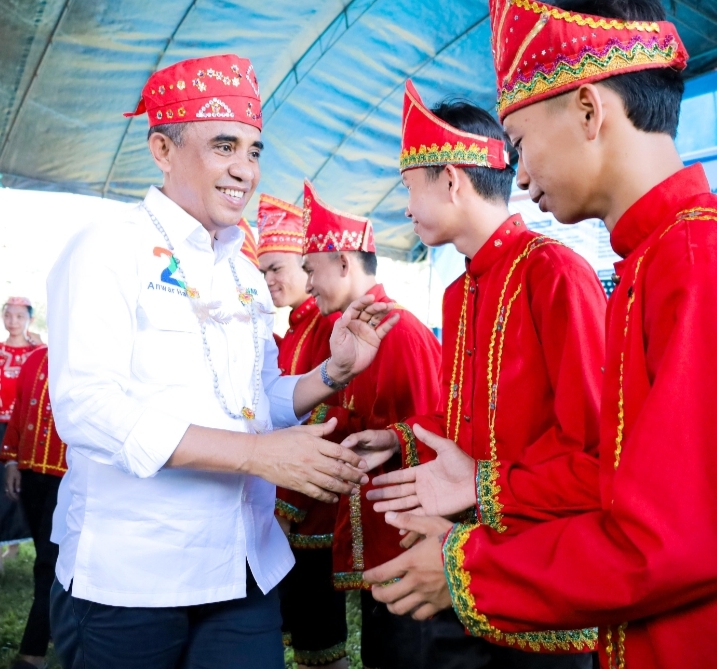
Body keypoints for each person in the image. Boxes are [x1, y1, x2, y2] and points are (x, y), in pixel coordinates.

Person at [363, 2, 717, 668]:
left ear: (588, 110)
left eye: (519, 143)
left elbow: (670, 538)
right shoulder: (660, 260)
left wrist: (467, 567)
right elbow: (628, 487)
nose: (521, 175)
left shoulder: (708, 268)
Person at [46, 53, 397, 669]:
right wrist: (256, 456)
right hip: (135, 573)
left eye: (254, 151)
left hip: (242, 563)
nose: (245, 169)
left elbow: (257, 400)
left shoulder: (242, 272)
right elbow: (87, 408)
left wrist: (331, 374)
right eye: (224, 146)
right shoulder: (108, 247)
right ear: (163, 149)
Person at [348, 82, 606, 668]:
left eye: (409, 186)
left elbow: (593, 448)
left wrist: (482, 485)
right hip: (466, 559)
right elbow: (466, 419)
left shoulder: (555, 274)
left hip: (542, 571)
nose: (405, 207)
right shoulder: (457, 293)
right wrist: (397, 438)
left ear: (450, 180)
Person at [301, 179, 443, 669]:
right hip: (379, 537)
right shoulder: (354, 330)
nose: (307, 284)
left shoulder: (398, 331)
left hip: (405, 540)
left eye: (311, 269)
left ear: (344, 263)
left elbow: (434, 432)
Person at [258, 193, 348, 669]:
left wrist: (287, 507)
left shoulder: (327, 326)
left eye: (277, 268)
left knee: (319, 640)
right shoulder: (292, 331)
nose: (269, 281)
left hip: (310, 509)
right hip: (285, 504)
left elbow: (327, 419)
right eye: (263, 272)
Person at [0, 346, 66, 669]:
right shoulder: (37, 358)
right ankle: (55, 624)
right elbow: (20, 410)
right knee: (46, 557)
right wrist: (12, 459)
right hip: (31, 472)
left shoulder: (98, 355)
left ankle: (32, 653)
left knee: (49, 563)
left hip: (70, 476)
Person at [0, 297, 42, 569]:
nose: (13, 321)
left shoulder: (40, 352)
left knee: (30, 488)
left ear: (30, 319)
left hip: (31, 429)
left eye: (20, 316)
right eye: (8, 315)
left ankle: (20, 545)